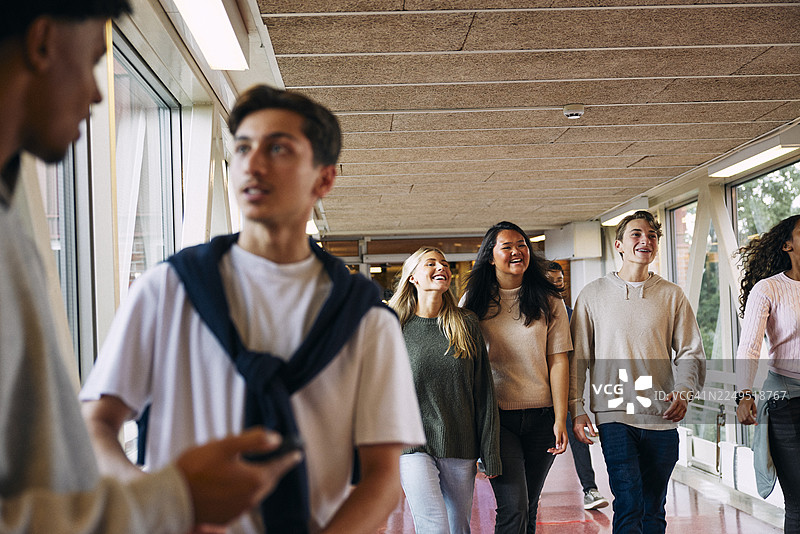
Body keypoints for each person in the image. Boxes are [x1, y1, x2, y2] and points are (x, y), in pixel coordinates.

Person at [0, 3, 301, 533]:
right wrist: (172, 500)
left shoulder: (12, 230)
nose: (97, 95)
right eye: (93, 62)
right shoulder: (171, 285)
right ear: (43, 42)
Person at [80, 84, 426, 534]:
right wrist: (159, 502)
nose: (253, 164)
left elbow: (382, 476)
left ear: (323, 179)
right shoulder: (168, 289)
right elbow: (95, 425)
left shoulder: (364, 317)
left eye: (278, 149)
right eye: (243, 148)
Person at [570, 210, 706, 534]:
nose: (646, 240)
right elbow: (578, 359)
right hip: (614, 416)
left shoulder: (672, 295)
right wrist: (576, 408)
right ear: (618, 244)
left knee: (654, 508)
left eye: (652, 235)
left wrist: (684, 391)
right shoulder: (592, 295)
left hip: (662, 416)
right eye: (636, 234)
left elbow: (691, 352)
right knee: (629, 502)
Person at [461, 221, 571, 534]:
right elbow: (462, 363)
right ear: (490, 256)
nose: (516, 251)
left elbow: (558, 360)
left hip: (542, 418)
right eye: (507, 246)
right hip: (497, 420)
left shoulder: (549, 299)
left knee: (530, 505)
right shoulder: (473, 301)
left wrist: (560, 418)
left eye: (521, 245)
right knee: (514, 507)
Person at [388, 247, 502, 533]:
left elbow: (483, 392)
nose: (441, 267)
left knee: (457, 527)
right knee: (434, 526)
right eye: (431, 263)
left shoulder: (465, 323)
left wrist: (490, 451)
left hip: (460, 442)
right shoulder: (394, 325)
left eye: (445, 264)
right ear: (413, 277)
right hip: (411, 445)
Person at [735, 214, 800, 534]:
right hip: (785, 400)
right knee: (799, 499)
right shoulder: (769, 288)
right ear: (787, 245)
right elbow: (749, 346)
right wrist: (744, 393)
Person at [545, 262, 608, 511]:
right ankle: (530, 489)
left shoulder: (572, 316)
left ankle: (590, 489)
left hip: (566, 393)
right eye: (551, 280)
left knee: (578, 437)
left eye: (560, 280)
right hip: (538, 394)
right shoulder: (530, 315)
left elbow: (583, 355)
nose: (556, 285)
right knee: (541, 444)